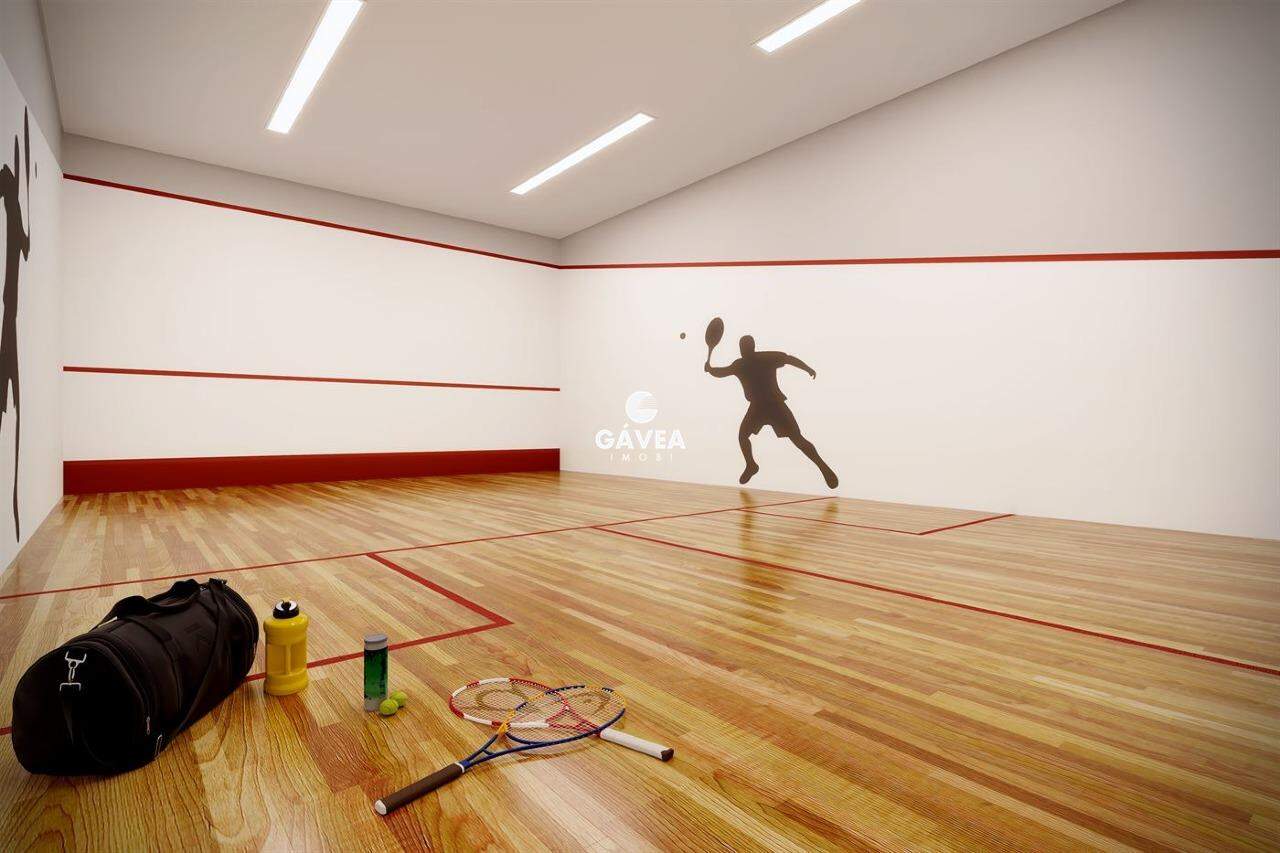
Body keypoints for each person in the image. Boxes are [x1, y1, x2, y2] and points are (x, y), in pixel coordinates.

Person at [705, 334, 838, 488]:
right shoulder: (743, 363)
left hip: (775, 405)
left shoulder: (760, 359)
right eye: (742, 347)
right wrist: (711, 369)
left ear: (752, 347)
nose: (743, 350)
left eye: (745, 347)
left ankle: (823, 467)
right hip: (758, 407)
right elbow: (722, 372)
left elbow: (788, 359)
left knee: (797, 438)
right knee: (743, 436)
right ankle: (751, 465)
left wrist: (807, 368)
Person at [1, 112, 32, 538]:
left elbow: (24, 246)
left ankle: (12, 503)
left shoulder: (17, 208)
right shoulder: (11, 192)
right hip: (9, 325)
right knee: (14, 410)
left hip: (10, 325)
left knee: (17, 410)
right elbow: (25, 246)